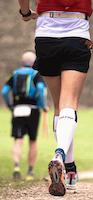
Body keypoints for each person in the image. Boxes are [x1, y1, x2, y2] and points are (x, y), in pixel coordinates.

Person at [17, 0, 93, 196]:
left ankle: (70, 170)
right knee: (69, 104)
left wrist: (25, 13)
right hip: (77, 36)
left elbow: (24, 5)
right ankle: (60, 156)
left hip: (46, 37)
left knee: (59, 106)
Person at [1, 51, 47, 180]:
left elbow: (4, 91)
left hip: (17, 109)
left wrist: (10, 106)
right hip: (32, 109)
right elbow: (41, 90)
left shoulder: (15, 74)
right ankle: (30, 172)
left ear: (23, 62)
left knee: (18, 140)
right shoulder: (36, 74)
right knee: (32, 141)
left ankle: (16, 167)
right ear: (34, 62)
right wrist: (42, 105)